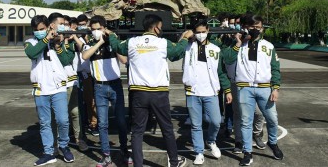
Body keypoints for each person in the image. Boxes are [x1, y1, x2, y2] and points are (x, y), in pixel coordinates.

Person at [106, 14, 194, 167]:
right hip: (158, 92)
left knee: (137, 131)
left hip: (138, 92)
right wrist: (185, 37)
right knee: (166, 128)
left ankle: (138, 164)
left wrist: (112, 35)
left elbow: (117, 46)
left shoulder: (132, 42)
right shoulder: (162, 43)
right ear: (156, 28)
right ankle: (174, 162)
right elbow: (176, 53)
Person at [222, 14, 284, 166]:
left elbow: (275, 68)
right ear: (245, 28)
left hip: (264, 88)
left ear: (262, 29)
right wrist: (237, 42)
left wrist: (275, 88)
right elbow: (226, 59)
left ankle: (273, 142)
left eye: (258, 27)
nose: (255, 30)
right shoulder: (238, 45)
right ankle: (247, 152)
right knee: (245, 121)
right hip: (244, 88)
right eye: (252, 27)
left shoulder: (269, 46)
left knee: (272, 118)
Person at [176, 19, 232, 165]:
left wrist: (227, 90)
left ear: (208, 31)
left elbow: (220, 72)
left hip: (211, 91)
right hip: (193, 91)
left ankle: (211, 141)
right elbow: (174, 54)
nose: (201, 34)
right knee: (196, 125)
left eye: (203, 32)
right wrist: (184, 37)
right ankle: (198, 152)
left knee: (216, 121)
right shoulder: (187, 47)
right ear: (194, 32)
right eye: (198, 32)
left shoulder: (215, 49)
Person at [81, 15, 132, 167]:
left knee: (122, 121)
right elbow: (84, 56)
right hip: (99, 86)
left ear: (105, 28)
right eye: (94, 29)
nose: (96, 31)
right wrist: (100, 42)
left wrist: (111, 40)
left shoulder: (113, 42)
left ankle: (124, 150)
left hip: (115, 85)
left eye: (99, 29)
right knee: (102, 124)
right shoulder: (89, 43)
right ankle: (106, 155)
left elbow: (124, 60)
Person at [24, 14, 75, 166]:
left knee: (63, 120)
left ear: (48, 27)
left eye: (41, 29)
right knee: (45, 122)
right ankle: (48, 152)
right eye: (36, 30)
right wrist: (46, 39)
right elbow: (31, 53)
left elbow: (67, 60)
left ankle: (64, 145)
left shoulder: (56, 41)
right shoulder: (30, 42)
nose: (38, 32)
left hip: (58, 87)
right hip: (41, 89)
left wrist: (58, 45)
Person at [62, 15, 88, 152]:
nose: (66, 27)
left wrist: (71, 38)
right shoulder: (53, 42)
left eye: (67, 24)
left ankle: (79, 138)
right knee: (61, 115)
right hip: (57, 83)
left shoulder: (73, 42)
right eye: (63, 24)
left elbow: (82, 49)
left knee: (75, 112)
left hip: (72, 80)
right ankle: (62, 140)